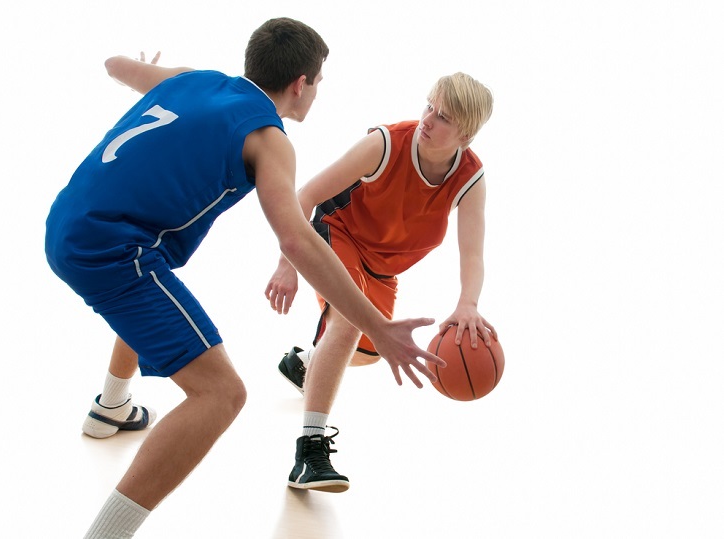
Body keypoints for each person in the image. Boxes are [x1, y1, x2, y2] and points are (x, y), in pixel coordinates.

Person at [45, 18, 442, 538]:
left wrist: (135, 73)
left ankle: (112, 406)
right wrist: (379, 327)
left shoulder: (190, 78)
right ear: (300, 83)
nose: (318, 91)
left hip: (66, 221)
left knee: (160, 288)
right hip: (113, 253)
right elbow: (299, 241)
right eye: (318, 81)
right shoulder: (268, 138)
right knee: (222, 394)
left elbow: (114, 65)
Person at [265, 72, 497, 492]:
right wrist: (287, 262)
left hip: (382, 268)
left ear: (466, 132)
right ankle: (309, 451)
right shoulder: (386, 144)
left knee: (369, 350)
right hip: (337, 234)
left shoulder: (470, 177)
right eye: (428, 106)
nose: (427, 119)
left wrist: (468, 303)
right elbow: (304, 195)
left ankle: (304, 363)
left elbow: (473, 253)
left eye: (442, 116)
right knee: (349, 323)